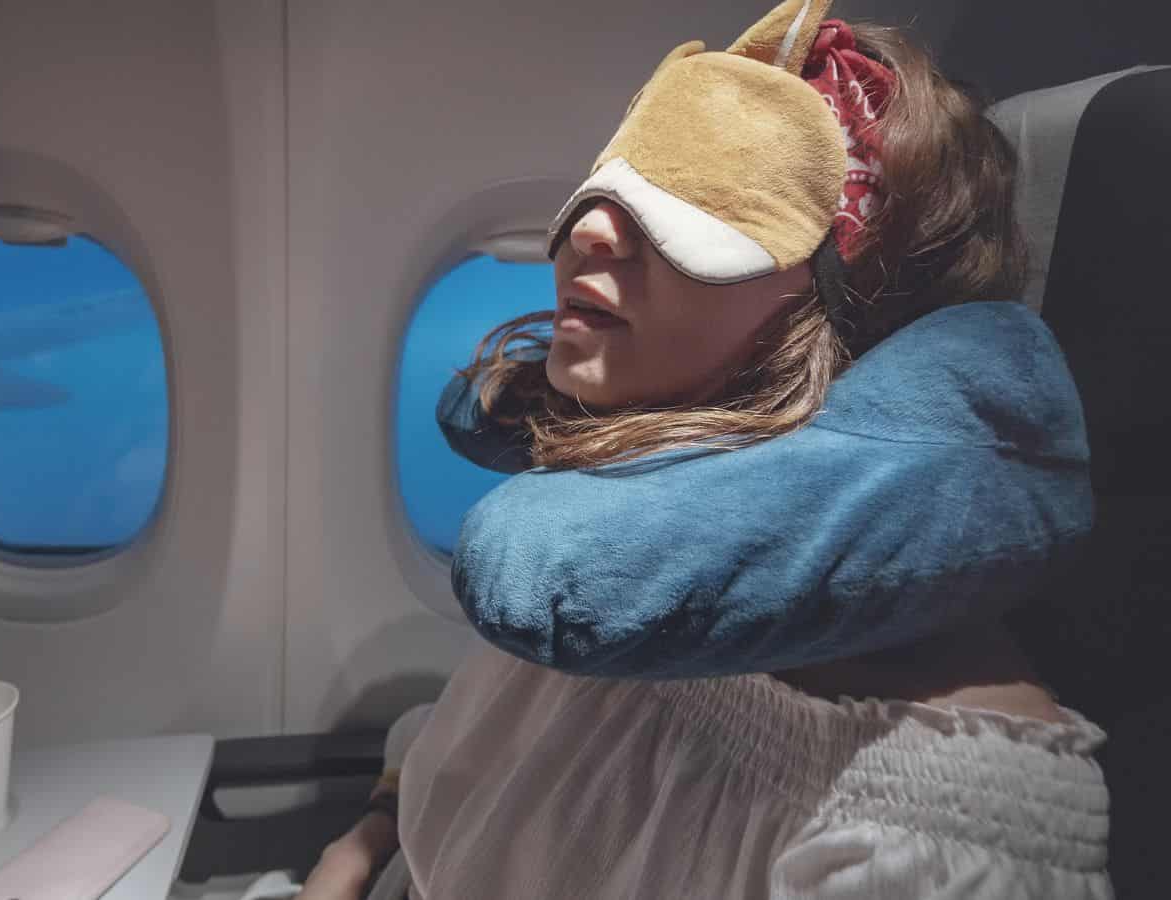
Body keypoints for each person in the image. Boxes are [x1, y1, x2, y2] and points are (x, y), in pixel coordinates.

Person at [297, 2, 1111, 897]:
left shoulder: (924, 826)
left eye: (708, 207)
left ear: (847, 309)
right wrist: (364, 847)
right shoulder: (619, 565)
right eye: (611, 183)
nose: (588, 232)